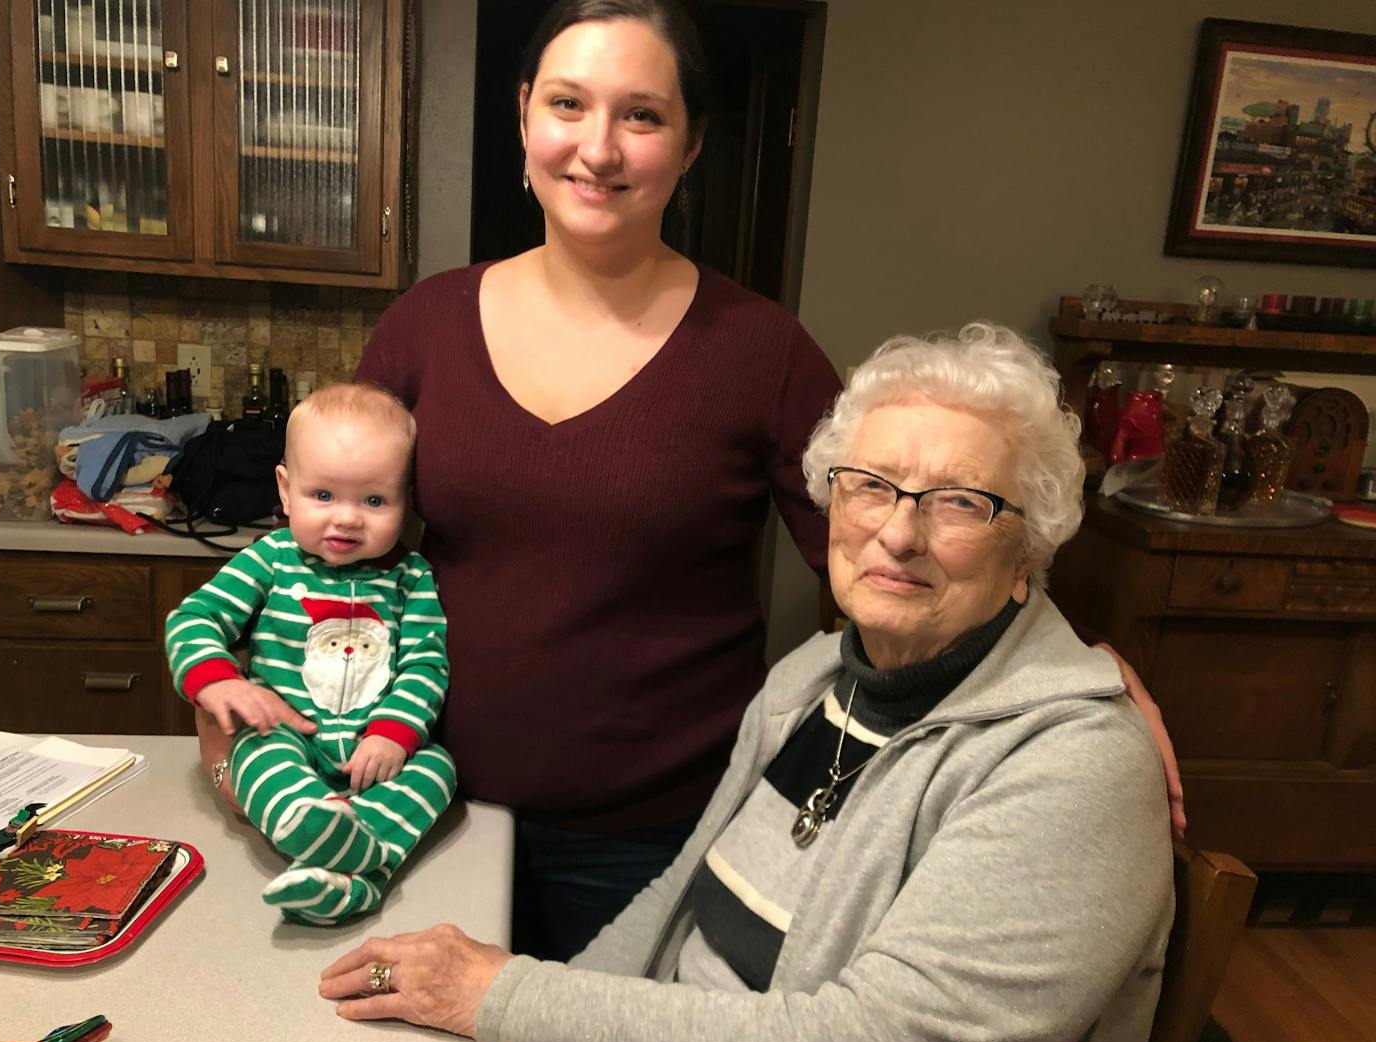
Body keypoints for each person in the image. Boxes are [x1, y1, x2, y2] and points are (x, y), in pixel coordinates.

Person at [193, 0, 1184, 958]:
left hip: (648, 836)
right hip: (413, 796)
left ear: (692, 143)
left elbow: (897, 558)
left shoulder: (762, 353)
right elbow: (324, 548)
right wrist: (226, 685)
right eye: (568, 104)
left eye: (642, 115)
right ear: (523, 114)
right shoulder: (423, 327)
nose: (599, 147)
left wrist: (1065, 665)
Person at [318, 324, 1176, 1042]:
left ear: (1029, 548)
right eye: (870, 484)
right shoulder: (816, 678)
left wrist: (502, 997)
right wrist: (526, 1022)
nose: (899, 532)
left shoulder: (1077, 766)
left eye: (960, 502)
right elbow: (674, 907)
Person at [166, 383, 455, 924]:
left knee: (438, 766)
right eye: (323, 496)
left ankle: (350, 870)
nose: (346, 518)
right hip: (286, 736)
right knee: (256, 756)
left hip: (376, 754)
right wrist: (219, 681)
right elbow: (194, 618)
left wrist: (395, 733)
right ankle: (331, 835)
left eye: (374, 500)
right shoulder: (270, 558)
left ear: (405, 500)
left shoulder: (410, 578)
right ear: (285, 487)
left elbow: (425, 665)